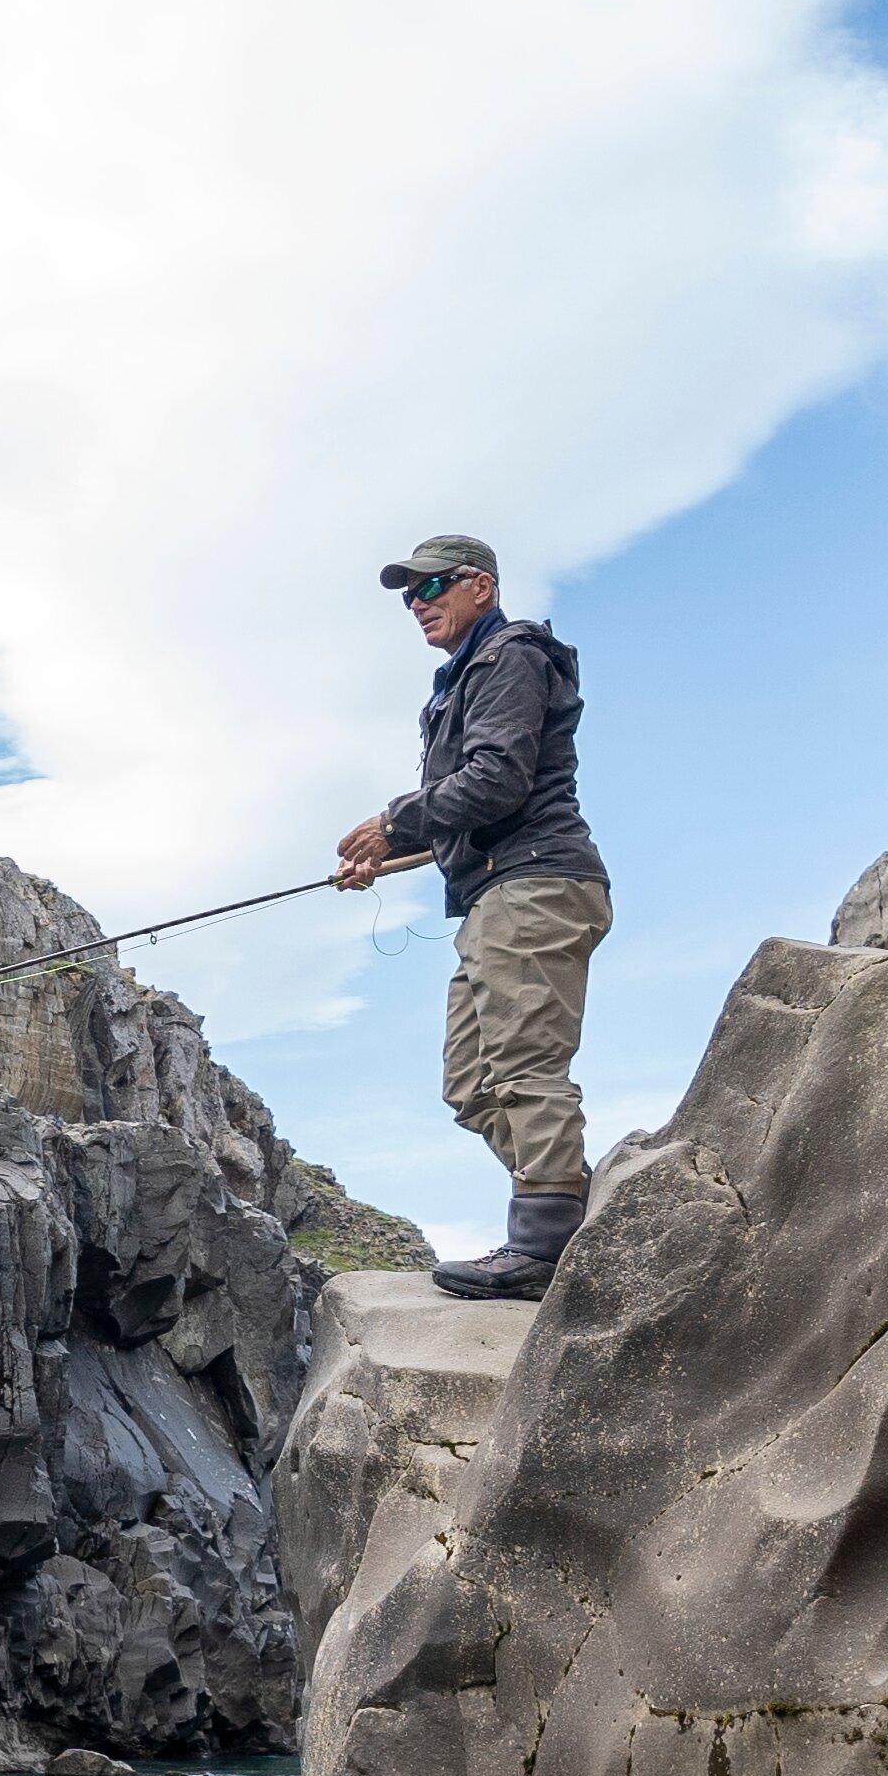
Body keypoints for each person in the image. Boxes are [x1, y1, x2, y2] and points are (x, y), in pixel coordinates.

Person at [328, 536, 609, 1301]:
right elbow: (476, 796)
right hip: (496, 892)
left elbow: (498, 779)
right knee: (472, 1082)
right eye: (409, 594)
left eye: (433, 587)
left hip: (536, 885)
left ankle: (545, 1245)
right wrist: (392, 848)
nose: (418, 604)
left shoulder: (510, 656)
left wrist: (395, 820)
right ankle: (578, 1209)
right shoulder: (465, 675)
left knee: (522, 1067)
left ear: (481, 586)